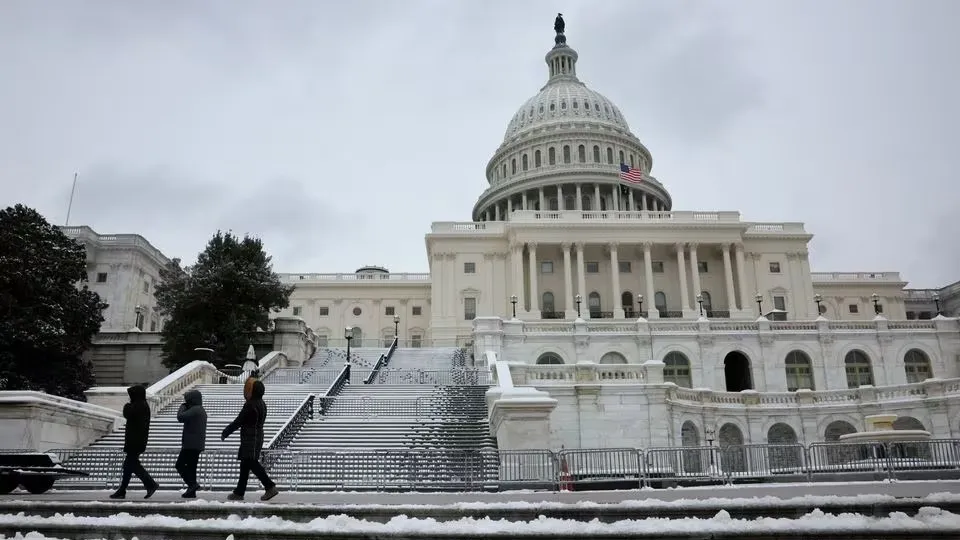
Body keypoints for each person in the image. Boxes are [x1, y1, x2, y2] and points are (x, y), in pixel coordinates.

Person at [221, 378, 279, 501]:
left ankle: (269, 486)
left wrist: (227, 431)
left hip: (250, 437)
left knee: (251, 462)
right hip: (257, 435)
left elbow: (239, 420)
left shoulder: (251, 404)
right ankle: (239, 491)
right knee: (245, 464)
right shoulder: (261, 403)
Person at [110, 384, 158, 499]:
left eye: (131, 395)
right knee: (129, 466)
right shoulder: (142, 404)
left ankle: (150, 484)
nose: (129, 397)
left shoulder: (139, 405)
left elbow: (127, 413)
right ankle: (123, 490)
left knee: (131, 465)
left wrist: (127, 405)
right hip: (136, 441)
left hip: (135, 442)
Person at [176, 388, 207, 498]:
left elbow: (180, 417)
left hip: (190, 445)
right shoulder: (201, 409)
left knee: (179, 465)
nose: (186, 402)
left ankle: (192, 485)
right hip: (196, 444)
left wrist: (182, 407)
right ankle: (191, 491)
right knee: (191, 468)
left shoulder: (195, 410)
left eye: (187, 400)